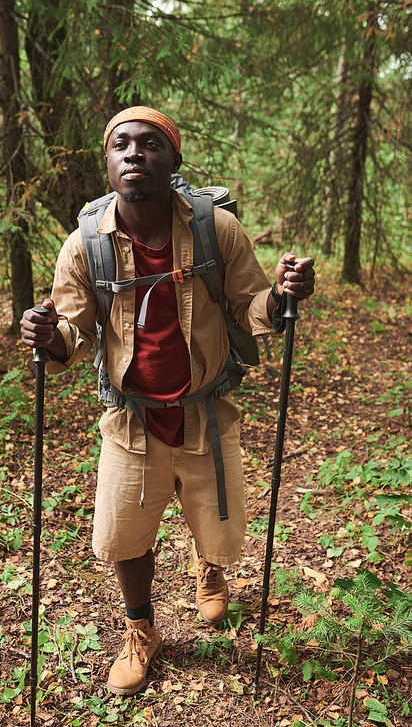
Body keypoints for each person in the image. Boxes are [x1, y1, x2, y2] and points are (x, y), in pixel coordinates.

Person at [20, 106, 315, 696]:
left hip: (205, 409)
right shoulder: (84, 246)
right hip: (132, 417)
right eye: (121, 145)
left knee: (223, 531)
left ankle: (208, 568)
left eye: (151, 144)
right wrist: (50, 337)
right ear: (108, 163)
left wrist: (282, 296)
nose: (135, 154)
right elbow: (73, 335)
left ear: (172, 159)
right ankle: (141, 630)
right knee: (123, 535)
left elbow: (248, 305)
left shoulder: (216, 230)